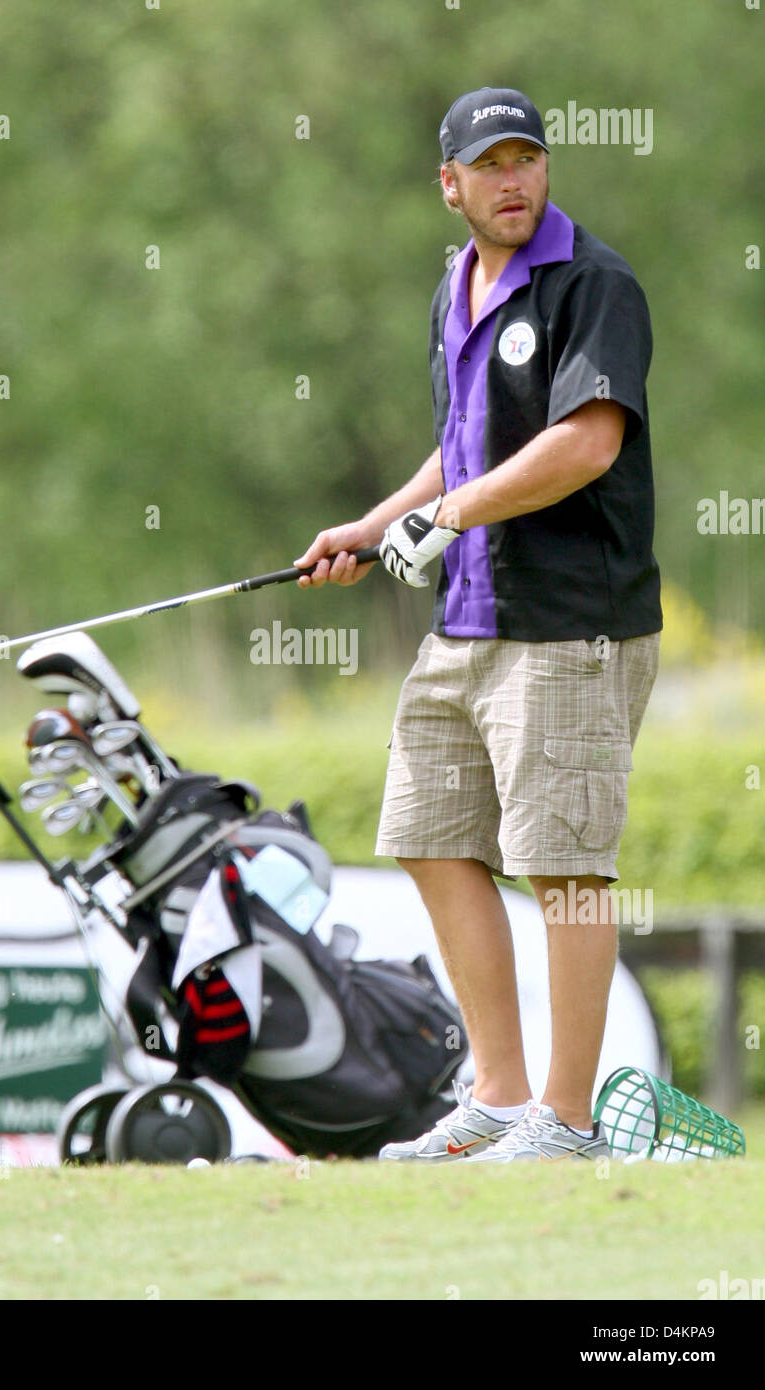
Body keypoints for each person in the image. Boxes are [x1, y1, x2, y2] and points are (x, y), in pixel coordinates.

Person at [294, 86, 662, 1163]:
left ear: (546, 170)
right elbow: (464, 445)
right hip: (468, 622)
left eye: (527, 160)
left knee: (564, 865)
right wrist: (376, 523)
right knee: (429, 837)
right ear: (448, 184)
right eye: (489, 165)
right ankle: (497, 1099)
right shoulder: (455, 286)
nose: (513, 181)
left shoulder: (591, 284)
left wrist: (447, 514)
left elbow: (584, 444)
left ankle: (568, 1122)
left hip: (570, 626)